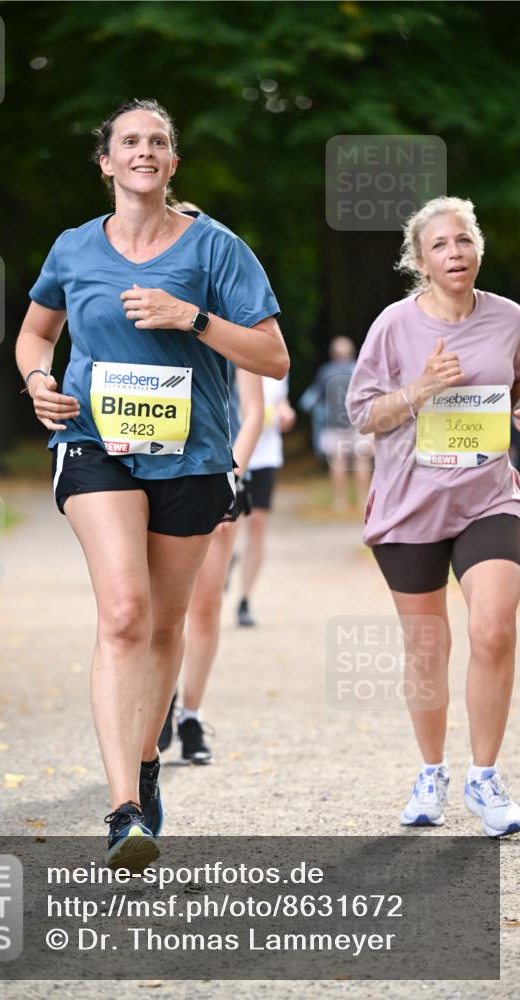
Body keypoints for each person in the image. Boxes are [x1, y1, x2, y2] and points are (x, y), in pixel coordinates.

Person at [15, 99, 289, 869]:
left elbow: (271, 359)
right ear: (106, 162)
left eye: (158, 142)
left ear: (172, 164)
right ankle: (122, 810)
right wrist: (39, 379)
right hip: (92, 444)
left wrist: (190, 317)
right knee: (126, 611)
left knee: (165, 625)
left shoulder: (217, 248)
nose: (143, 152)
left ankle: (144, 759)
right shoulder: (72, 248)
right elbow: (37, 331)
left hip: (191, 459)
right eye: (129, 141)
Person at [346, 196, 520, 838]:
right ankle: (431, 772)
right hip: (410, 504)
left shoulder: (510, 320)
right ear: (420, 261)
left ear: (479, 250)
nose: (456, 253)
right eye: (441, 245)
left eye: (464, 241)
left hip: (488, 499)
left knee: (495, 627)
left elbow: (515, 387)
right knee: (427, 650)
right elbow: (363, 413)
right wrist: (420, 389)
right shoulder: (394, 326)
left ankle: (485, 776)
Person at [161, 362, 264, 763]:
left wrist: (230, 477)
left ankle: (191, 715)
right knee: (158, 608)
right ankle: (159, 698)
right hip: (156, 470)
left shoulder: (230, 317)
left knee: (205, 604)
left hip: (219, 471)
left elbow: (253, 411)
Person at [236, 376, 295, 627]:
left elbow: (281, 401)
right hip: (232, 458)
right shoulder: (229, 359)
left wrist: (286, 413)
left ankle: (244, 599)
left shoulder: (273, 361)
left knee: (257, 525)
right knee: (223, 527)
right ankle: (217, 580)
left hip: (265, 458)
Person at [307, 337, 373, 513]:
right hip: (359, 422)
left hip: (334, 424)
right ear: (352, 353)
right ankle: (362, 500)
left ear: (333, 354)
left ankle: (340, 501)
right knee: (362, 460)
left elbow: (314, 399)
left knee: (337, 462)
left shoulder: (325, 372)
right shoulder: (360, 370)